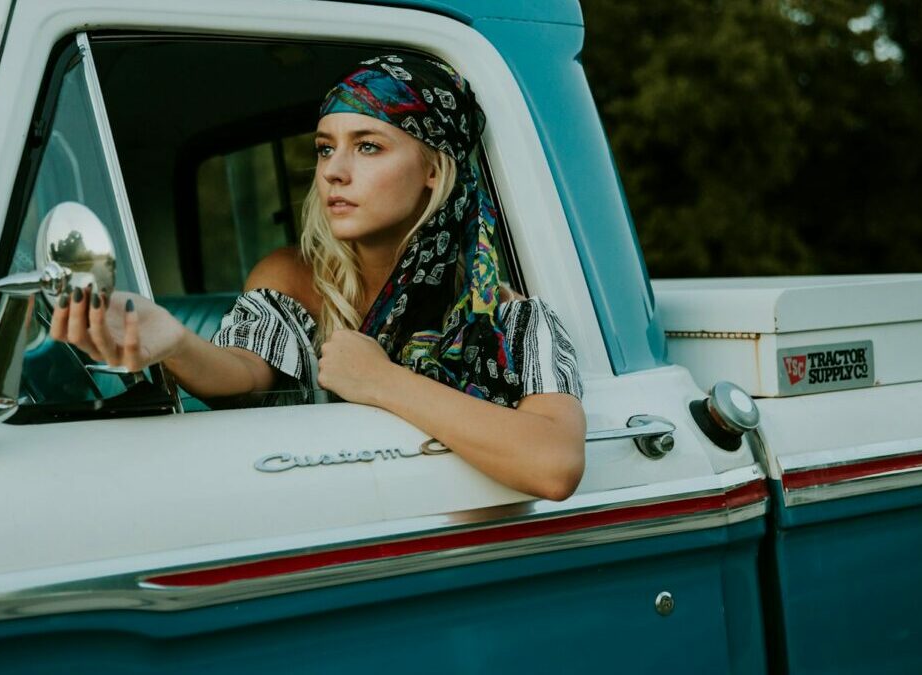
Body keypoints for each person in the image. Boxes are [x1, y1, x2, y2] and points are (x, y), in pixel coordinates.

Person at [50, 54, 587, 501]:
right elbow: (245, 372)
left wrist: (381, 380)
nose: (333, 170)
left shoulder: (507, 316)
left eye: (368, 145)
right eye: (326, 147)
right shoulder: (291, 277)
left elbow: (554, 465)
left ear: (433, 168)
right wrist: (173, 340)